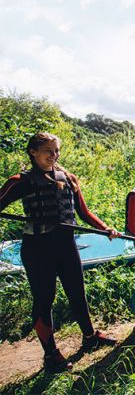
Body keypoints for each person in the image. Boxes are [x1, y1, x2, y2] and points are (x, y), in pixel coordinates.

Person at [0, 133, 119, 372]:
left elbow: (83, 213)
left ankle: (89, 336)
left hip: (66, 245)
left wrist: (104, 228)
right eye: (48, 150)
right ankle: (51, 355)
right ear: (33, 152)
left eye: (56, 151)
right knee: (44, 300)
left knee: (77, 292)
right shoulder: (21, 181)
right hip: (38, 248)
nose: (53, 156)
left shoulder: (68, 178)